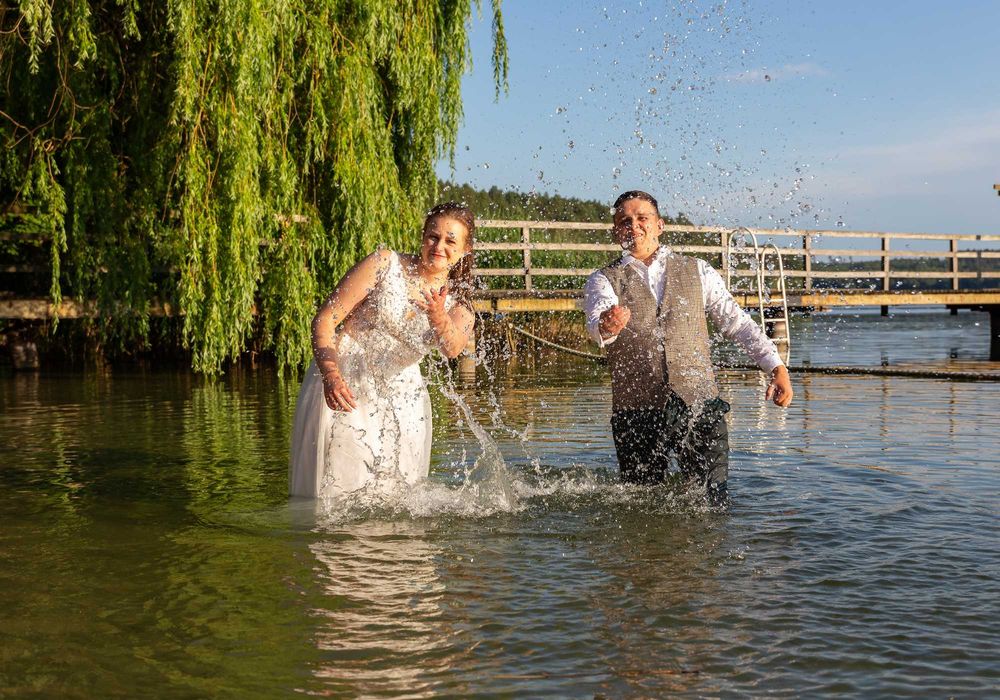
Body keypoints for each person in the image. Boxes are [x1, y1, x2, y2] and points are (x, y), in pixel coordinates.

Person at [584, 190, 793, 504]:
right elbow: (597, 325)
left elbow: (737, 323)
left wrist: (776, 367)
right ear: (616, 231)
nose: (634, 225)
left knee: (713, 502)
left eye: (642, 218)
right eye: (625, 220)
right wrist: (607, 326)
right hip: (637, 412)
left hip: (701, 406)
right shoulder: (603, 279)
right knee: (641, 508)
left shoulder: (699, 270)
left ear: (660, 225)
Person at [289, 202, 477, 498]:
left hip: (404, 396)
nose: (439, 246)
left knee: (396, 493)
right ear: (423, 237)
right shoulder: (385, 264)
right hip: (345, 382)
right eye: (433, 236)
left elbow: (452, 347)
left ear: (465, 250)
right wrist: (331, 374)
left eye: (450, 241)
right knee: (342, 481)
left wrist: (439, 317)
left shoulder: (462, 305)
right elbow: (325, 319)